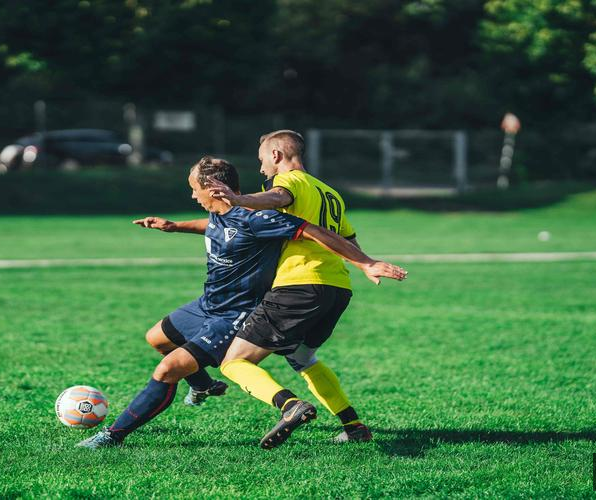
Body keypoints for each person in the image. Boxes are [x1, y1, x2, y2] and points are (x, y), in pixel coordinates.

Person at [76, 156, 405, 449]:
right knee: (157, 338)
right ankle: (204, 386)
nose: (192, 196)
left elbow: (313, 231)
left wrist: (365, 262)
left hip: (234, 315)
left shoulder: (257, 219)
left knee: (168, 370)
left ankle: (112, 436)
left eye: (195, 189)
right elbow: (214, 225)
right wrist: (174, 227)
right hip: (207, 304)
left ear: (213, 188)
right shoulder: (221, 215)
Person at [208, 130, 384, 449]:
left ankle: (290, 406)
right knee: (303, 357)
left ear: (276, 155)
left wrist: (239, 198)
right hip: (336, 288)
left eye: (262, 159)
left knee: (233, 362)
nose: (261, 167)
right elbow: (347, 240)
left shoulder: (289, 183)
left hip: (299, 284)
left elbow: (276, 198)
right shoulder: (329, 192)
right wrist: (365, 264)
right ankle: (354, 426)